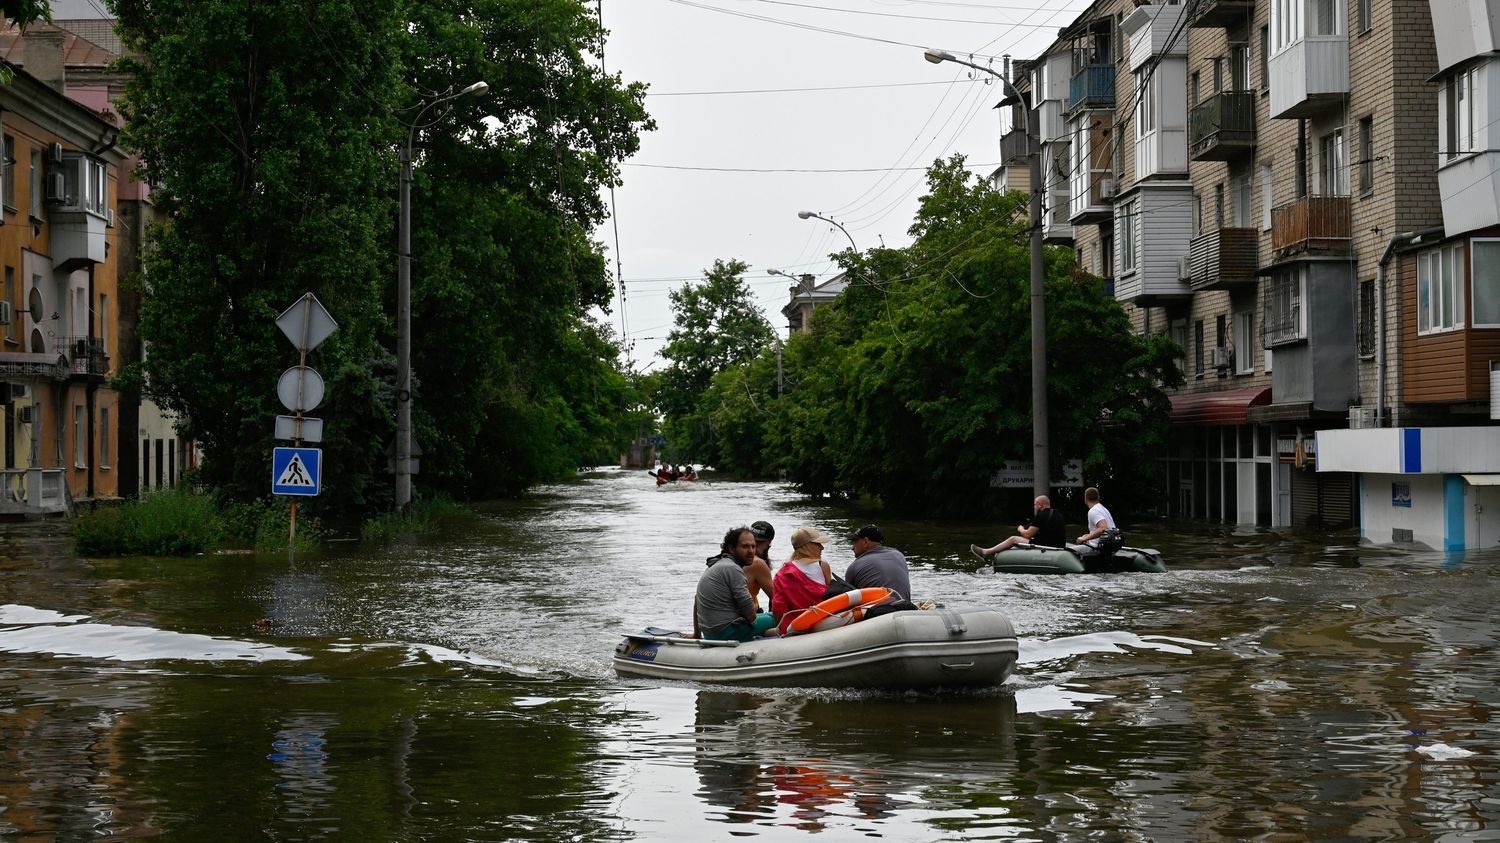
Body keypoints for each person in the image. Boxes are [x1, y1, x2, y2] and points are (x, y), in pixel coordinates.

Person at [694, 526, 778, 641]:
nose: (751, 551)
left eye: (753, 546)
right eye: (745, 546)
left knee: (766, 616)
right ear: (732, 548)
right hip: (727, 632)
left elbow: (696, 601)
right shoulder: (733, 569)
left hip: (710, 633)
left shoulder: (715, 565)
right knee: (777, 617)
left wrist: (697, 634)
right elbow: (751, 616)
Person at [770, 527, 835, 634]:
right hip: (823, 623)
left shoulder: (781, 574)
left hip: (794, 628)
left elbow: (778, 607)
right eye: (818, 544)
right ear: (807, 546)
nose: (822, 547)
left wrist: (780, 628)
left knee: (768, 632)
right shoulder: (822, 565)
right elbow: (832, 596)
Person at [845, 524, 916, 615]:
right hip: (906, 608)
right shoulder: (899, 555)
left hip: (878, 615)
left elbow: (849, 601)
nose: (852, 547)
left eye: (854, 542)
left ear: (865, 541)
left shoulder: (855, 566)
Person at [971, 495, 1067, 561]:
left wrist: (1021, 529)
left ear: (1040, 505)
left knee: (1013, 539)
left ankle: (986, 552)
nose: (1034, 507)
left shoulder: (1041, 516)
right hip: (1059, 545)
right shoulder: (1058, 514)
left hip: (1047, 545)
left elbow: (1028, 535)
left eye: (1035, 504)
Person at [1075, 486, 1118, 552]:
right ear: (1098, 497)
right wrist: (1087, 536)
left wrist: (1084, 539)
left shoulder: (1093, 510)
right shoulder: (1103, 509)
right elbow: (1104, 528)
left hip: (1098, 548)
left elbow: (1103, 528)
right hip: (1110, 545)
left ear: (1085, 498)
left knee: (1069, 552)